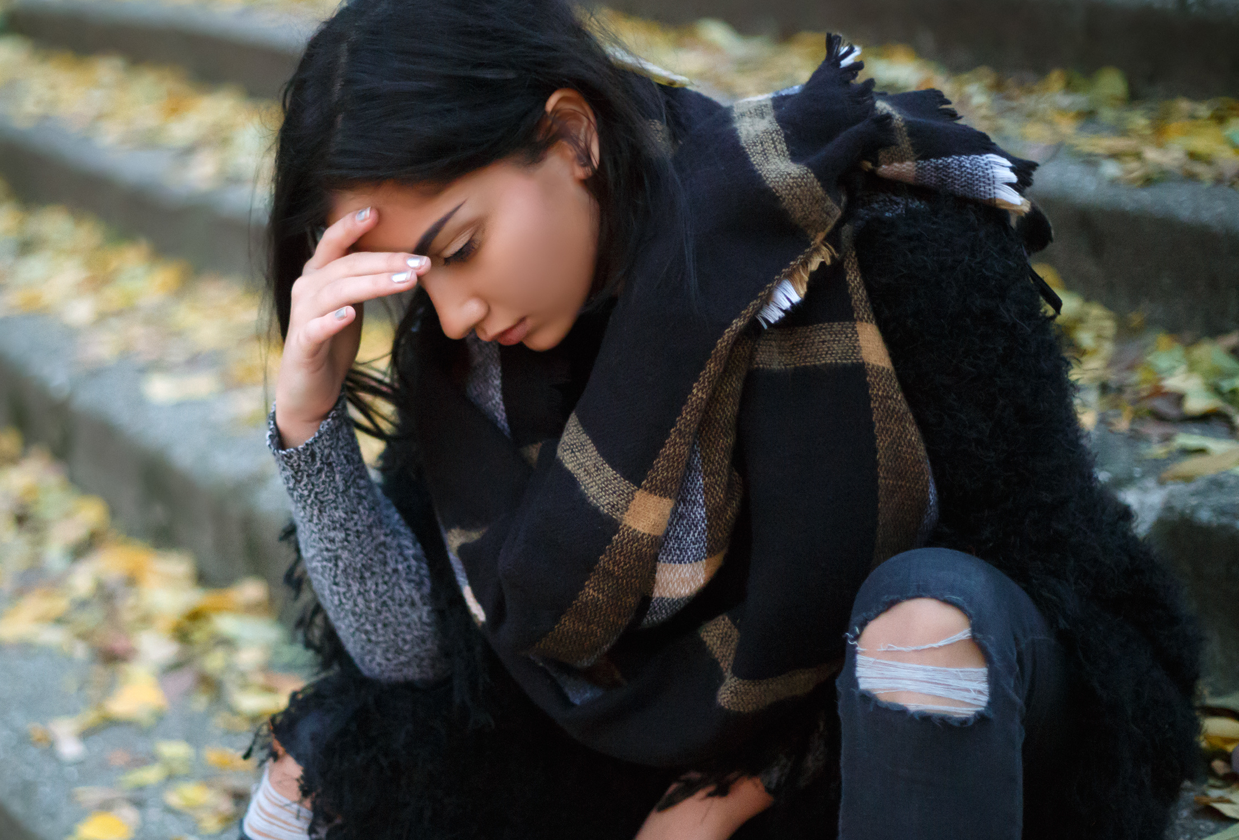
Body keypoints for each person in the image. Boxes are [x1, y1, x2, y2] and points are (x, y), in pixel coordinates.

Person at [242, 0, 1207, 837]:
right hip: (646, 760)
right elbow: (417, 659)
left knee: (923, 616)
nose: (451, 314)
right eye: (414, 285)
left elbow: (1050, 574)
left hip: (933, 748)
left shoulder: (870, 236)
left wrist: (750, 784)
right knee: (320, 763)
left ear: (573, 138)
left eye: (459, 247)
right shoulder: (474, 365)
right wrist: (310, 420)